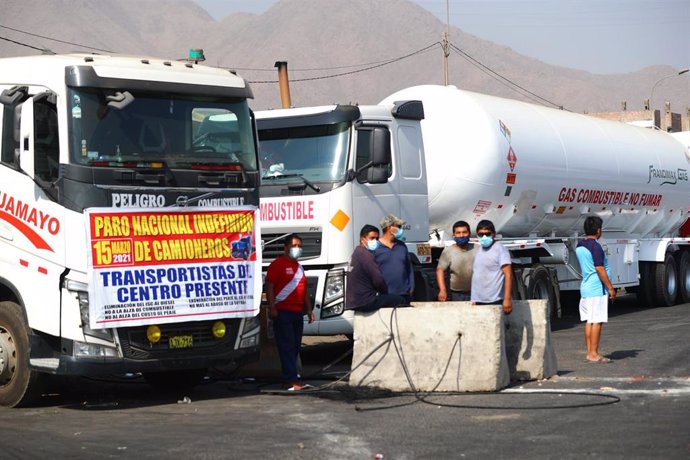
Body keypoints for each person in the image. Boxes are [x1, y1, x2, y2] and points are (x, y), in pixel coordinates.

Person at [265, 234, 315, 390]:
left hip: (297, 312)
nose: (297, 249)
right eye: (294, 246)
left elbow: (304, 289)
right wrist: (272, 307)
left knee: (295, 346)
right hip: (283, 312)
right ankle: (290, 380)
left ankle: (294, 377)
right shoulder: (277, 265)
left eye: (300, 246)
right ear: (286, 248)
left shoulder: (300, 268)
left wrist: (308, 309)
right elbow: (270, 286)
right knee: (286, 346)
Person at [575, 216, 616, 363]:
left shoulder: (580, 245)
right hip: (596, 288)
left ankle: (589, 352)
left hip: (585, 287)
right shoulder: (595, 246)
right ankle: (594, 354)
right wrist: (610, 287)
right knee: (597, 321)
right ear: (598, 230)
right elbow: (600, 268)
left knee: (589, 321)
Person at [346, 224, 407, 312]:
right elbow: (378, 279)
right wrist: (385, 292)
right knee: (400, 300)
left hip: (354, 301)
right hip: (366, 301)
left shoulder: (357, 252)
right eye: (372, 238)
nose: (375, 241)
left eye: (377, 239)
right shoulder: (366, 255)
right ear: (362, 239)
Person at [470, 220, 513, 315]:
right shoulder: (479, 250)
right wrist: (474, 298)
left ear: (493, 234)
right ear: (477, 235)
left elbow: (508, 275)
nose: (484, 237)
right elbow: (477, 273)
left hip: (494, 300)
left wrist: (507, 299)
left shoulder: (500, 250)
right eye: (481, 234)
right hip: (478, 300)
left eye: (487, 234)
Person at [374, 214, 415, 303]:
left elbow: (409, 268)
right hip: (385, 295)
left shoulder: (402, 246)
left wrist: (411, 287)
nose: (401, 230)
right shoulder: (376, 248)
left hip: (404, 294)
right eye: (398, 227)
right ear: (389, 228)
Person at [436, 220, 477, 301]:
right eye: (458, 233)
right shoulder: (448, 251)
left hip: (476, 293)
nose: (461, 235)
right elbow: (440, 270)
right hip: (456, 295)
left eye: (464, 232)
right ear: (454, 234)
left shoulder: (478, 249)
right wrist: (442, 290)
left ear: (469, 233)